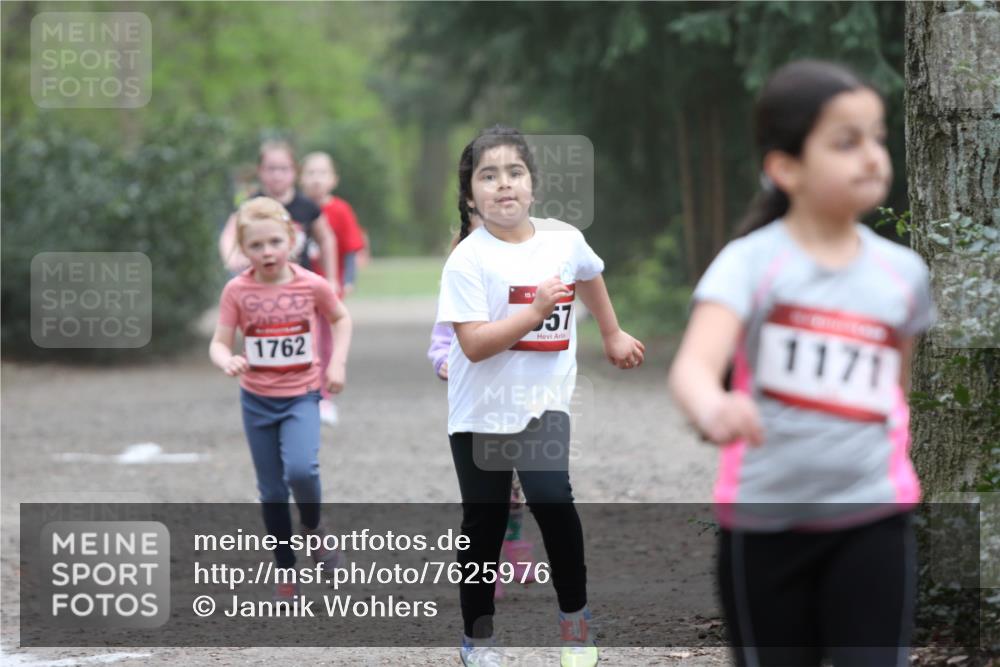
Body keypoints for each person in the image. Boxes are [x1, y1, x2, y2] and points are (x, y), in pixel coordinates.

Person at [668, 60, 935, 667]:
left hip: (874, 518)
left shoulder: (904, 275)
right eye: (846, 142)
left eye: (877, 138)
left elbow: (895, 392)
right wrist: (713, 407)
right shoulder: (749, 263)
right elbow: (693, 367)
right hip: (764, 528)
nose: (872, 157)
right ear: (785, 168)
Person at [436, 125, 645, 667]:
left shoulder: (563, 239)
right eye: (488, 176)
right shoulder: (467, 260)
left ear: (533, 184)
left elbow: (590, 275)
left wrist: (612, 332)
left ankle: (576, 624)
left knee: (553, 499)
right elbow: (474, 345)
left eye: (515, 172)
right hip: (480, 412)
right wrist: (532, 312)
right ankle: (477, 639)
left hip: (543, 402)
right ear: (470, 196)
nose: (504, 184)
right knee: (483, 523)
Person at [209, 196, 353, 603]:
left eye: (274, 242)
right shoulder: (237, 291)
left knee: (302, 471)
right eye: (256, 245)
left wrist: (336, 364)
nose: (267, 252)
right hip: (257, 401)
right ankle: (286, 568)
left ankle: (313, 529)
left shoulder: (311, 284)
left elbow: (341, 318)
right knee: (272, 492)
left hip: (301, 396)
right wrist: (227, 359)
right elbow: (219, 342)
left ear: (292, 240)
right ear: (243, 249)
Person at [428, 213, 538, 602]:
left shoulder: (523, 291)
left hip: (520, 401)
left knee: (515, 485)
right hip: (477, 405)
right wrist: (443, 362)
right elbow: (441, 343)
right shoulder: (458, 290)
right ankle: (487, 566)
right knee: (486, 494)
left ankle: (516, 541)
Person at [300, 151, 368, 425]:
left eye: (322, 173)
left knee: (326, 343)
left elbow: (351, 248)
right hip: (299, 291)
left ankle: (324, 397)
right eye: (310, 173)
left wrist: (347, 280)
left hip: (328, 290)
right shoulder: (296, 208)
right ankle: (302, 394)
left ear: (334, 179)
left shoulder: (340, 210)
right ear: (301, 178)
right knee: (306, 342)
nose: (316, 179)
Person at [219, 140, 339, 291]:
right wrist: (233, 257)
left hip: (301, 287)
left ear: (295, 171)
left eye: (284, 169)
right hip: (259, 287)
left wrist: (332, 278)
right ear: (260, 170)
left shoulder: (307, 206)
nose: (277, 175)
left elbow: (326, 238)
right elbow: (229, 234)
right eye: (271, 169)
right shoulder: (250, 205)